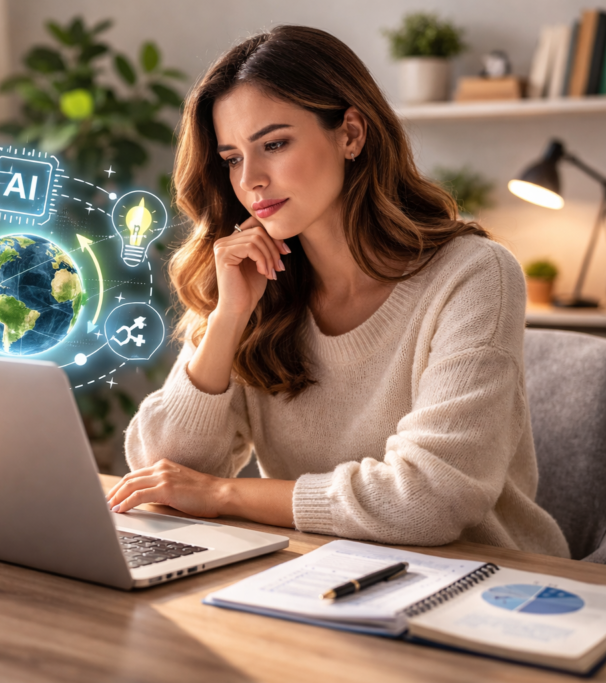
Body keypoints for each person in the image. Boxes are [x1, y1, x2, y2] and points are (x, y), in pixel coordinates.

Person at [106, 26, 569, 557]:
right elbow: (165, 471)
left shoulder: (474, 275)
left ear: (350, 133)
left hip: (490, 586)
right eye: (232, 158)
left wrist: (227, 494)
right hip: (314, 573)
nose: (250, 179)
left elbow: (429, 498)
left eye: (274, 144)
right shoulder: (257, 283)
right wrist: (228, 318)